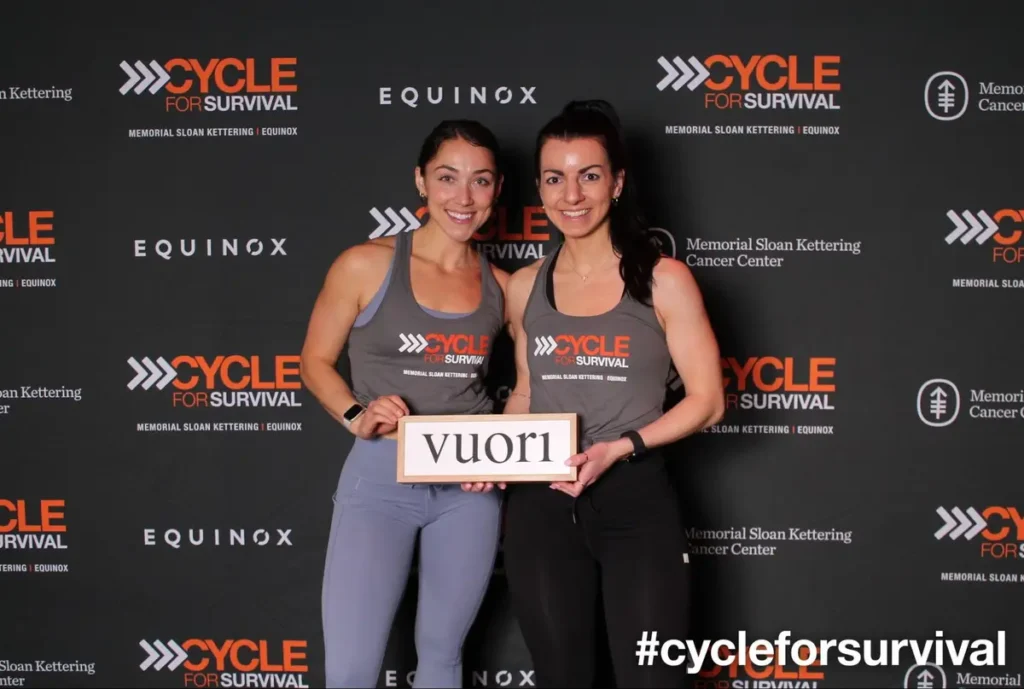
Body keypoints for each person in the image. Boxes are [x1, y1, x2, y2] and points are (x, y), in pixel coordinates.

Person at [490, 99, 725, 687]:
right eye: (554, 178)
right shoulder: (524, 286)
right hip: (540, 507)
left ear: (617, 183)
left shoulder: (663, 278)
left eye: (588, 175)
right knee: (562, 677)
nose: (571, 194)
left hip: (634, 502)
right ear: (539, 189)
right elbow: (523, 393)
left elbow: (708, 402)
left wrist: (618, 449)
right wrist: (491, 453)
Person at [300, 119, 510, 688]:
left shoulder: (503, 285)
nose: (463, 198)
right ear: (421, 181)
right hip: (380, 481)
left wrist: (503, 456)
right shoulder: (365, 264)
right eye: (447, 178)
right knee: (351, 668)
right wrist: (355, 415)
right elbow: (314, 362)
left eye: (481, 181)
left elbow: (540, 381)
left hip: (469, 492)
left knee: (442, 658)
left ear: (496, 191)